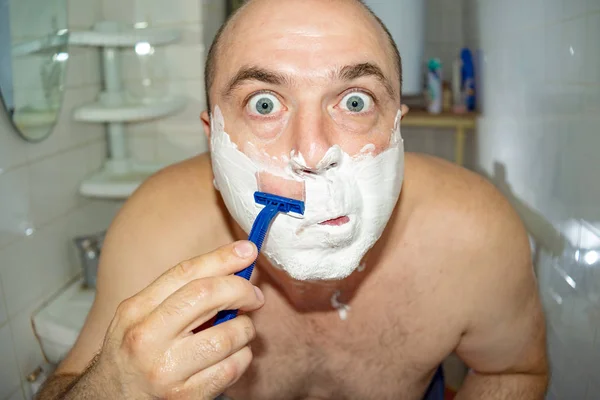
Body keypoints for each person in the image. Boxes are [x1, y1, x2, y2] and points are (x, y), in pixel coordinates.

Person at [38, 0, 548, 399]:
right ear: (212, 138)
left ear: (397, 129)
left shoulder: (474, 233)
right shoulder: (156, 230)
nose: (311, 151)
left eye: (355, 102)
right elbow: (73, 383)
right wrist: (114, 390)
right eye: (264, 104)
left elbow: (515, 369)